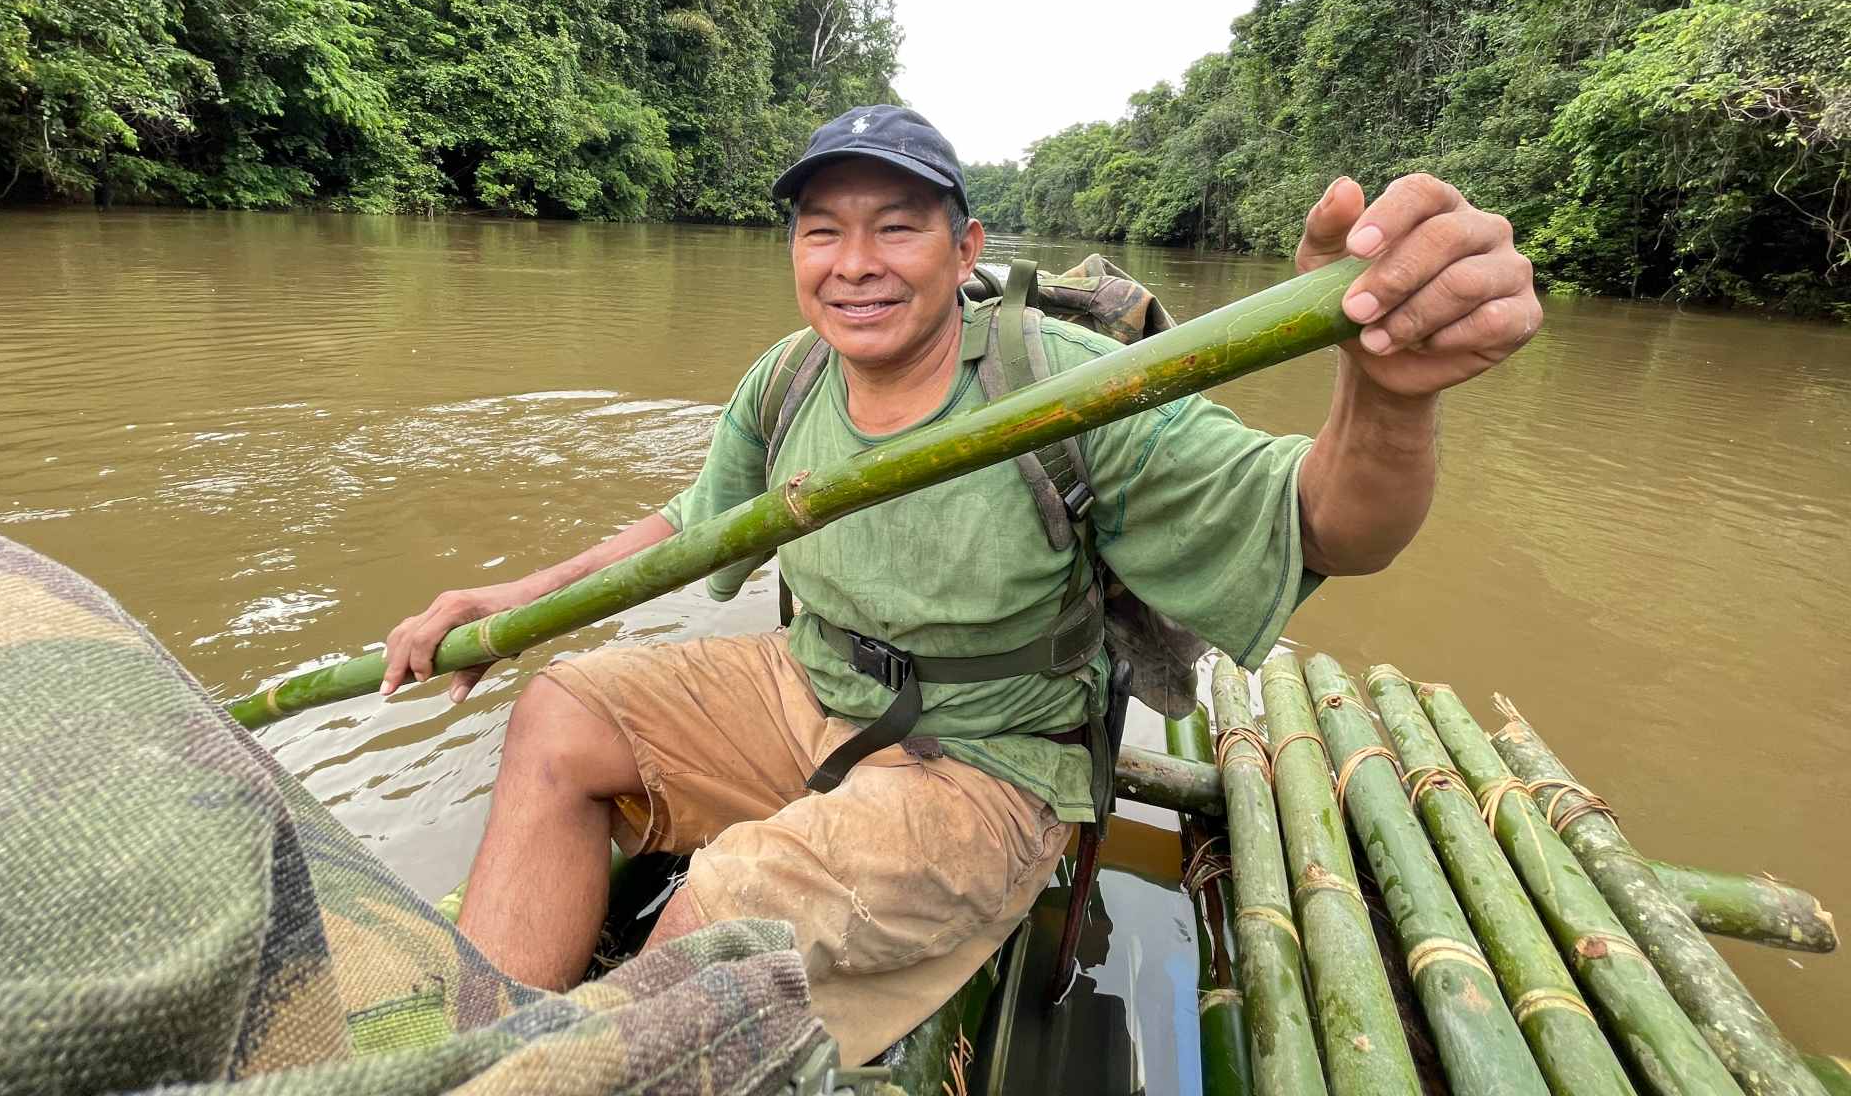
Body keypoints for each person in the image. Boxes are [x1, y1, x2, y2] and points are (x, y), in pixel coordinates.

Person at [380, 105, 1542, 1060]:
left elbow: (1329, 523)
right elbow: (690, 529)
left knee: (733, 903)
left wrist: (1389, 398)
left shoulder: (1069, 388)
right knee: (561, 715)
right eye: (821, 232)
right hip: (806, 688)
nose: (854, 265)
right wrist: (514, 606)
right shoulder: (789, 380)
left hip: (987, 762)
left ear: (966, 247)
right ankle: (482, 1050)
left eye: (895, 228)